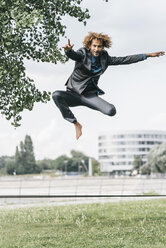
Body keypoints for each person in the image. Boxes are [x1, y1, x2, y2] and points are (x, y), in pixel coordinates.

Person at [52, 32, 165, 140]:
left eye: (99, 47)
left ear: (103, 47)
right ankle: (76, 123)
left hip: (89, 96)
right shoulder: (83, 54)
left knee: (111, 111)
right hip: (73, 94)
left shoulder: (105, 59)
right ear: (89, 46)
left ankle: (91, 107)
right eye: (94, 46)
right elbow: (74, 55)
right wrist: (68, 51)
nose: (96, 49)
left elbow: (124, 60)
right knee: (56, 95)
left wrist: (147, 55)